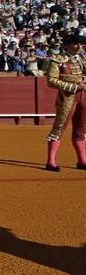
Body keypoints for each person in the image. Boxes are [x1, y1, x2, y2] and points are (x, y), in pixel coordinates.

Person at [44, 31, 86, 171]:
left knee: (81, 130)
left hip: (84, 96)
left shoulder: (82, 59)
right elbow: (51, 81)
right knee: (59, 128)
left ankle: (82, 161)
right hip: (67, 97)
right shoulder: (57, 59)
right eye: (76, 43)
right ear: (67, 45)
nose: (79, 46)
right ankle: (51, 162)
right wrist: (74, 86)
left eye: (80, 43)